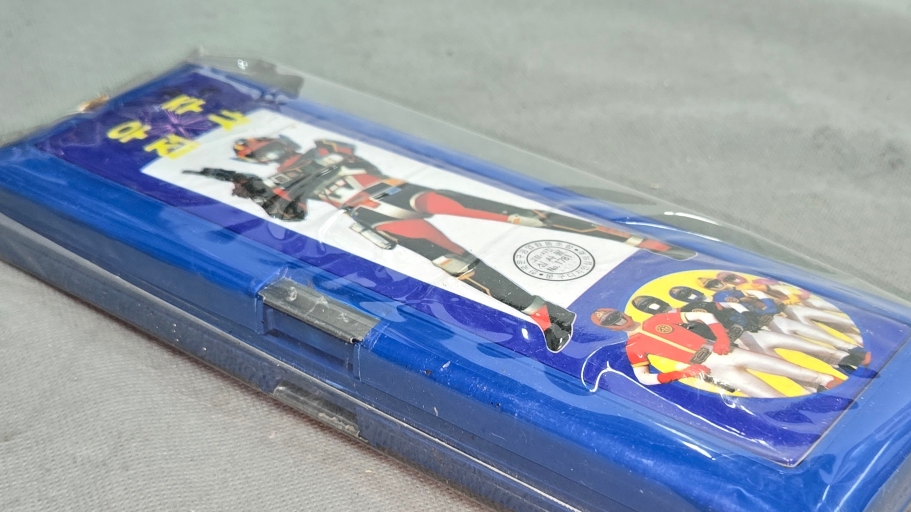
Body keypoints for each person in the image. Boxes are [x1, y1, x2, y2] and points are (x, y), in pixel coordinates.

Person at [186, 136, 696, 352]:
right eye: (253, 154)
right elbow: (290, 214)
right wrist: (254, 189)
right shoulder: (279, 179)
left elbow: (346, 157)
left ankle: (638, 241)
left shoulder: (320, 148)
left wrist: (299, 179)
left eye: (259, 148)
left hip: (398, 192)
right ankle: (545, 315)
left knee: (521, 217)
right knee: (458, 265)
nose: (263, 152)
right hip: (369, 214)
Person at [591, 307, 842, 398]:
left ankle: (835, 383)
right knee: (768, 395)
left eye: (616, 315)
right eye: (611, 321)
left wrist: (721, 338)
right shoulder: (633, 347)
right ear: (609, 328)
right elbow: (644, 378)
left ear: (622, 313)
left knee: (798, 371)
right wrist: (681, 373)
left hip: (719, 350)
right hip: (710, 367)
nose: (618, 320)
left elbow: (705, 315)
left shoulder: (657, 320)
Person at [661, 289, 870, 374]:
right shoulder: (685, 318)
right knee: (790, 366)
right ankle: (844, 372)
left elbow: (758, 303)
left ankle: (854, 354)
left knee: (815, 343)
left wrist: (748, 309)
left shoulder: (718, 299)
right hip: (745, 339)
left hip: (767, 323)